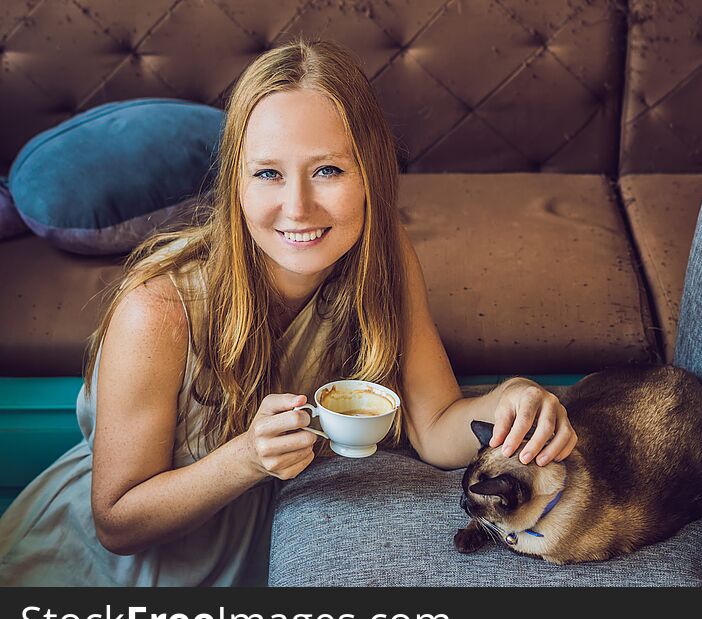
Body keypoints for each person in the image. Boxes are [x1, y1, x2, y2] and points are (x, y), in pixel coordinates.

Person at [0, 39, 579, 586]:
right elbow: (117, 523)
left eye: (327, 170)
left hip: (271, 545)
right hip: (129, 572)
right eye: (268, 173)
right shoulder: (156, 311)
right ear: (235, 183)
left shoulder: (386, 259)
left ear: (371, 174)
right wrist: (247, 458)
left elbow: (435, 429)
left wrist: (509, 401)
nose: (297, 208)